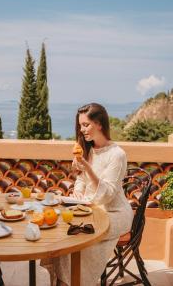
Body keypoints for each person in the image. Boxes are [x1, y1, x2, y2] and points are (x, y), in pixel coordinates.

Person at [43, 103, 134, 286]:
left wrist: (87, 168)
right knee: (65, 235)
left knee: (79, 239)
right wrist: (77, 194)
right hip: (90, 208)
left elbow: (107, 194)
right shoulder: (90, 149)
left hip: (114, 213)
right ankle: (63, 281)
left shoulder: (117, 154)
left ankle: (73, 282)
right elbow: (81, 181)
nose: (82, 130)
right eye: (80, 125)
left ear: (99, 124)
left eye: (86, 125)